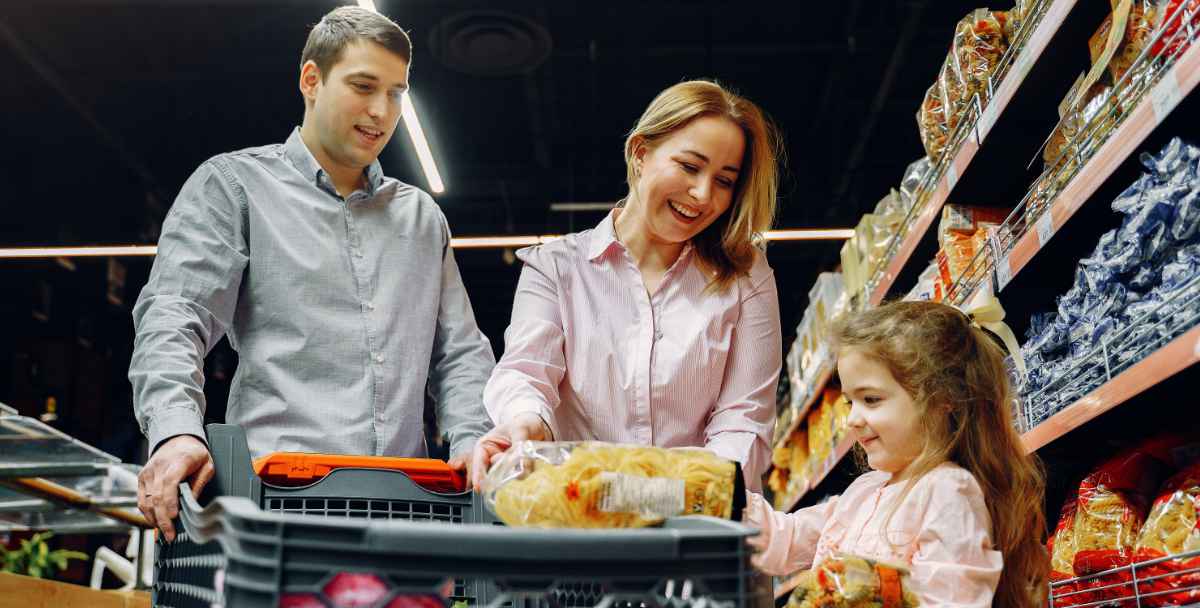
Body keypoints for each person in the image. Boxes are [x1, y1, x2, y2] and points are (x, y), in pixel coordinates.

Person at [130, 7, 495, 540]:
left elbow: (459, 352)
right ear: (311, 80)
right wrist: (175, 432)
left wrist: (473, 441)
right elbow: (175, 315)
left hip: (407, 513)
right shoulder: (234, 187)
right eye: (363, 86)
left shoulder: (421, 219)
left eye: (396, 93)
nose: (381, 111)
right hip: (274, 511)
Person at [749, 301, 1048, 608]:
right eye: (850, 400)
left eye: (871, 400)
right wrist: (707, 490)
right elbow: (784, 538)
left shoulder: (949, 493)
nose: (851, 419)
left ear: (943, 400)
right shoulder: (865, 493)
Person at [471, 79, 783, 492]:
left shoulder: (746, 276)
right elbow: (527, 372)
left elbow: (744, 418)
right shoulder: (556, 267)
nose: (703, 194)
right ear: (640, 153)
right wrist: (525, 423)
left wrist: (677, 493)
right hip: (578, 515)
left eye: (725, 181)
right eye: (690, 166)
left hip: (696, 525)